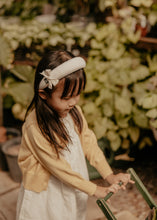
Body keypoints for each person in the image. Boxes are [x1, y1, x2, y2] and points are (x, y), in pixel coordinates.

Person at [16, 50, 134, 220]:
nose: (73, 102)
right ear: (43, 95)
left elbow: (89, 144)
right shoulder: (35, 127)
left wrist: (109, 176)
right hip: (47, 189)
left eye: (76, 95)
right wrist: (94, 189)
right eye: (66, 98)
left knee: (70, 213)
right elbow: (58, 168)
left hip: (72, 181)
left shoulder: (74, 112)